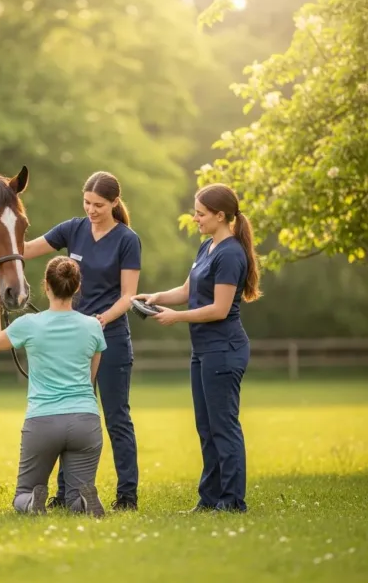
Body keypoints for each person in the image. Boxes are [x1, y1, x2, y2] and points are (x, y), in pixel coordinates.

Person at [133, 183, 261, 513]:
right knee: (206, 427)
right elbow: (189, 289)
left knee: (223, 426)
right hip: (203, 350)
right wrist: (157, 298)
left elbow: (218, 309)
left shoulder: (232, 254)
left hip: (224, 349)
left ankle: (232, 502)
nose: (195, 218)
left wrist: (176, 319)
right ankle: (210, 500)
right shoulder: (207, 248)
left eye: (201, 213)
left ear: (221, 216)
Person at [23, 171, 141, 511]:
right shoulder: (72, 229)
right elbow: (28, 249)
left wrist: (100, 320)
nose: (91, 209)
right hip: (72, 343)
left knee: (117, 418)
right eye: (87, 202)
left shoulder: (127, 240)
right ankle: (66, 494)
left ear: (115, 203)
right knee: (69, 414)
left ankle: (127, 495)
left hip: (111, 339)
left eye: (99, 205)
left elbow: (128, 296)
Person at [0, 256, 106, 517]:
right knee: (75, 496)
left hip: (43, 422)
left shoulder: (28, 324)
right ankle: (84, 502)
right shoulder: (94, 326)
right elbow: (90, 378)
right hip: (85, 420)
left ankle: (30, 502)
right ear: (76, 287)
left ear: (46, 287)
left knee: (23, 492)